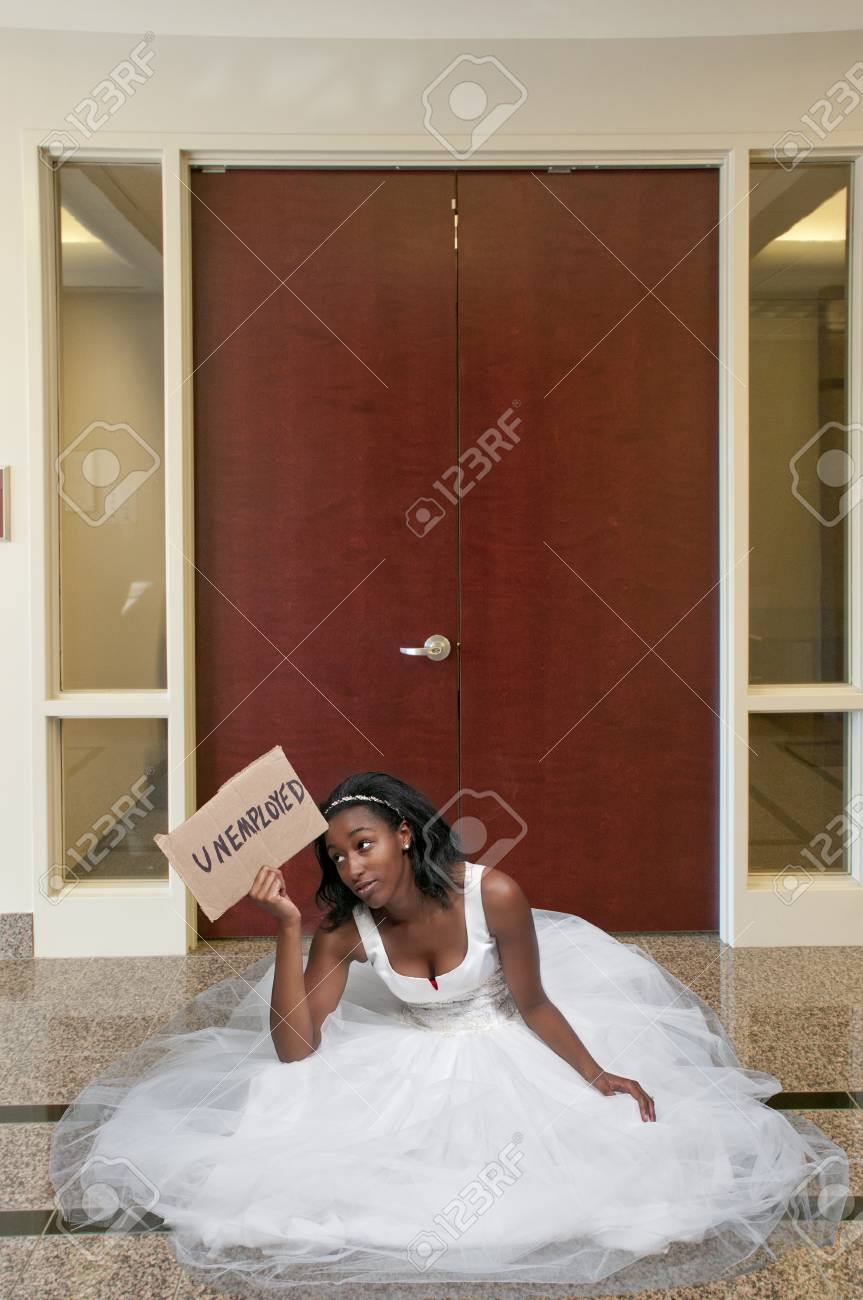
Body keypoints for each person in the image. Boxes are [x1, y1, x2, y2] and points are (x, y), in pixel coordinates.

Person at [50, 771, 851, 1295]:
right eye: (336, 856)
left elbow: (533, 1002)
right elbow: (295, 1050)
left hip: (505, 1038)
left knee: (609, 1158)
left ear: (402, 832)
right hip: (403, 1054)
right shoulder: (345, 931)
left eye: (363, 844)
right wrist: (290, 927)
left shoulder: (493, 893)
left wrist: (597, 1073)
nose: (353, 865)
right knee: (288, 1113)